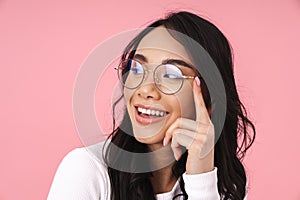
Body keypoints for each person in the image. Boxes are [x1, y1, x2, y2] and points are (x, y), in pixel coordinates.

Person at [47, 11, 256, 200]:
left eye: (170, 75)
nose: (145, 89)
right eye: (137, 69)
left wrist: (202, 180)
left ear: (210, 98)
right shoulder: (87, 169)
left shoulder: (226, 184)